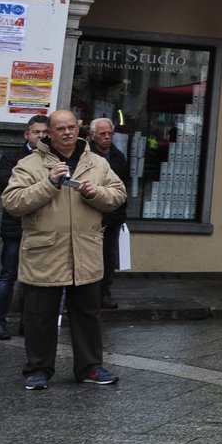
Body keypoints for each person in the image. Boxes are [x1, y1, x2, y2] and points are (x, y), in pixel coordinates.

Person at [1, 109, 126, 388]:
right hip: (45, 252)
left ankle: (90, 368)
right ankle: (38, 369)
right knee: (39, 317)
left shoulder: (96, 162)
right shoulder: (29, 164)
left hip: (85, 251)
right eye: (60, 128)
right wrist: (48, 184)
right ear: (49, 133)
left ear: (79, 129)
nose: (67, 132)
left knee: (87, 315)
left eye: (72, 127)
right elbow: (12, 202)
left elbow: (118, 195)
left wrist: (98, 194)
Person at [0, 114, 48, 339]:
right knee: (8, 274)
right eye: (36, 132)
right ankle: (0, 321)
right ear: (26, 134)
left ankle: (27, 324)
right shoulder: (12, 157)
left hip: (41, 227)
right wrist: (42, 185)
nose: (41, 136)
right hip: (15, 225)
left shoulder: (52, 158)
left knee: (35, 279)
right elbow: (6, 184)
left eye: (44, 132)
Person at [86, 119, 130, 309]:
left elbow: (122, 189)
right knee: (88, 256)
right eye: (102, 134)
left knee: (108, 256)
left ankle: (104, 292)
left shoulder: (118, 157)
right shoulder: (86, 155)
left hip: (112, 217)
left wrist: (119, 215)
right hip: (90, 214)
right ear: (92, 135)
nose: (106, 137)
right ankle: (87, 294)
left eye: (109, 133)